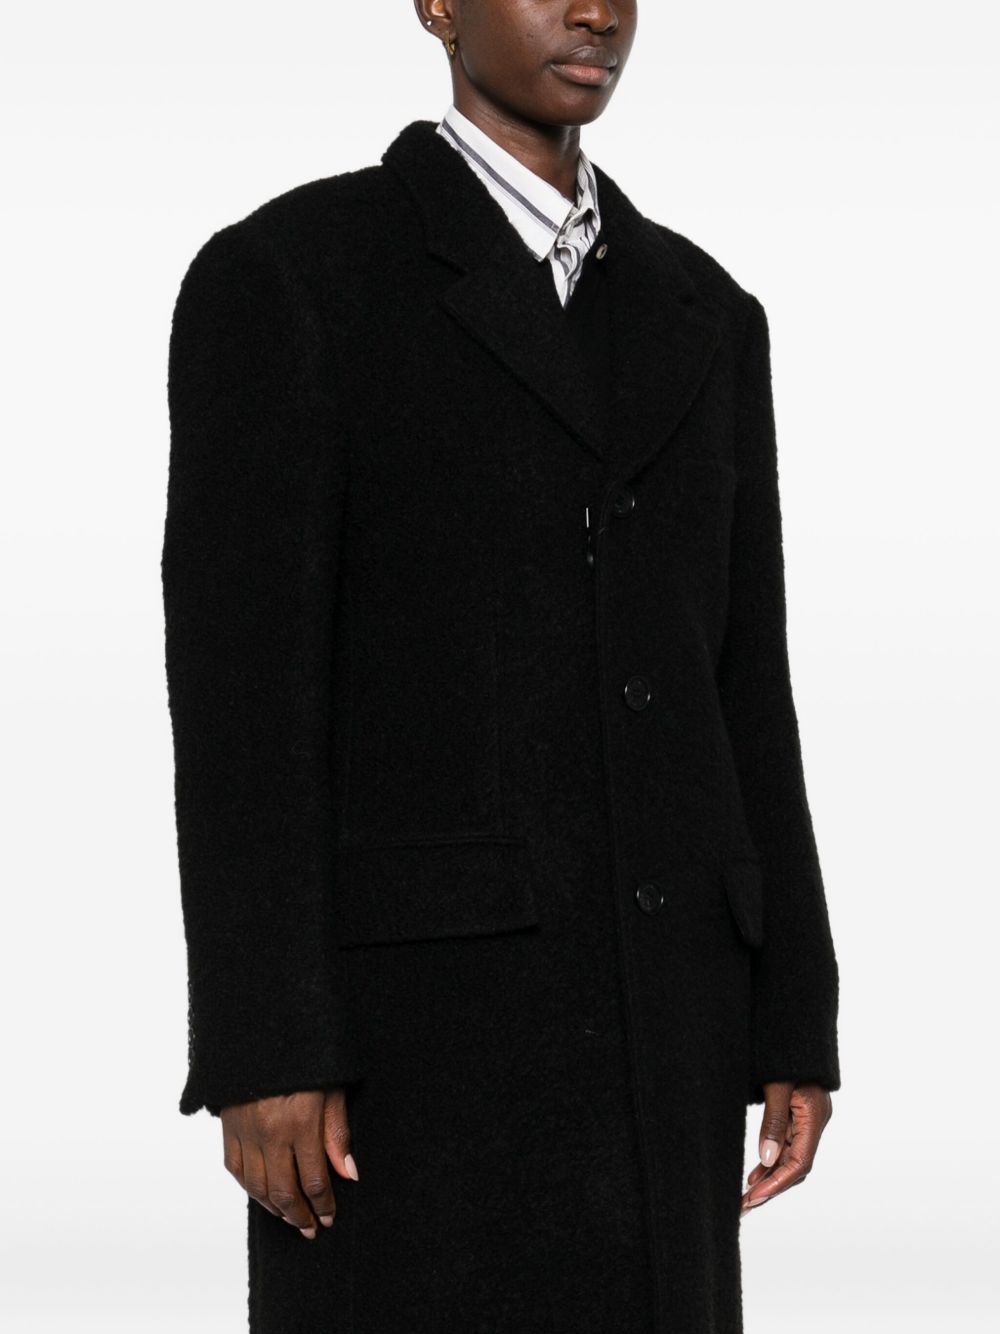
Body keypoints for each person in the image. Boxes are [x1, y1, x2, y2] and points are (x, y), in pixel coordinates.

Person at [161, 2, 841, 1330]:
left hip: (672, 1012)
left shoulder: (707, 311)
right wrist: (264, 1040)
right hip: (419, 1034)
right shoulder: (296, 277)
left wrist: (791, 1010)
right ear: (436, 4)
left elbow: (746, 680)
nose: (596, 11)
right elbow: (242, 699)